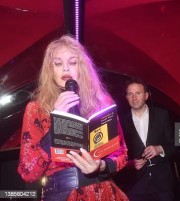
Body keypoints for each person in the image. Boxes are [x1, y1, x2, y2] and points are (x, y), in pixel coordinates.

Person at [17, 35, 128, 201]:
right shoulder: (36, 109)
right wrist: (56, 123)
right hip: (61, 195)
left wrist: (101, 166)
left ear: (82, 67)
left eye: (73, 62)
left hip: (104, 192)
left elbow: (122, 153)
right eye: (58, 63)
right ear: (50, 69)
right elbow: (28, 172)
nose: (66, 69)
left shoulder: (103, 103)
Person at [116, 78, 176, 201]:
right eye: (130, 94)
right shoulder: (119, 122)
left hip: (163, 184)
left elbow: (175, 144)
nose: (134, 97)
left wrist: (160, 149)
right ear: (126, 97)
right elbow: (116, 154)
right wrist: (129, 164)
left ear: (146, 95)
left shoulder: (162, 115)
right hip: (136, 186)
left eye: (138, 93)